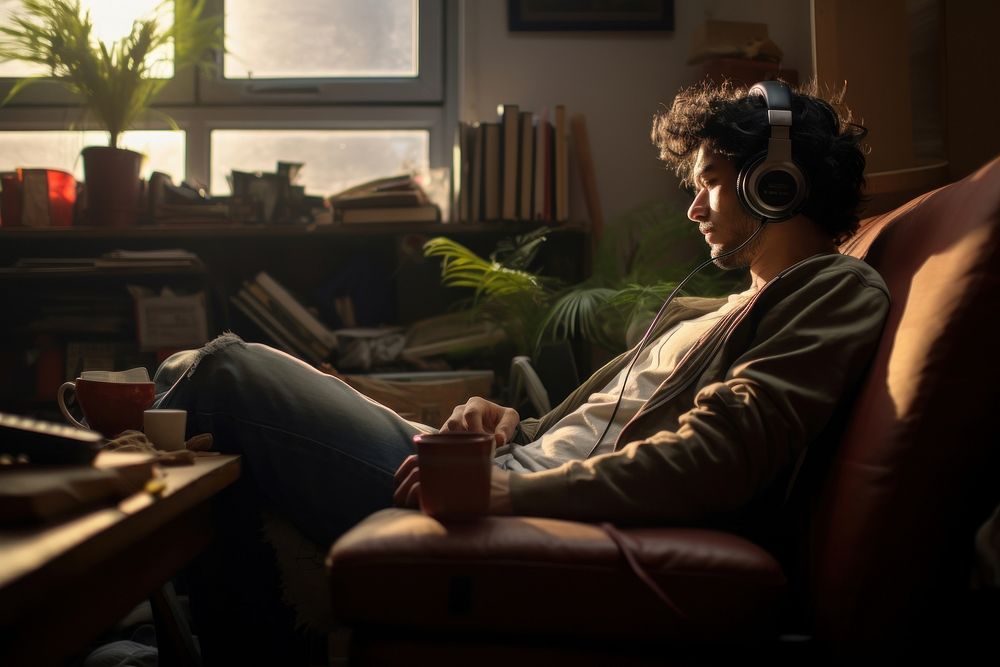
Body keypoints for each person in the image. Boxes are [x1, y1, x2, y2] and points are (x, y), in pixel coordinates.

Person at [152, 79, 888, 663]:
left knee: (223, 375)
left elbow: (717, 457)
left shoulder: (834, 290)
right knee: (189, 375)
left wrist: (511, 489)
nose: (693, 206)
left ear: (777, 183)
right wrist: (509, 422)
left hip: (517, 493)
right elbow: (590, 432)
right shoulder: (714, 307)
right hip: (506, 462)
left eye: (712, 181)